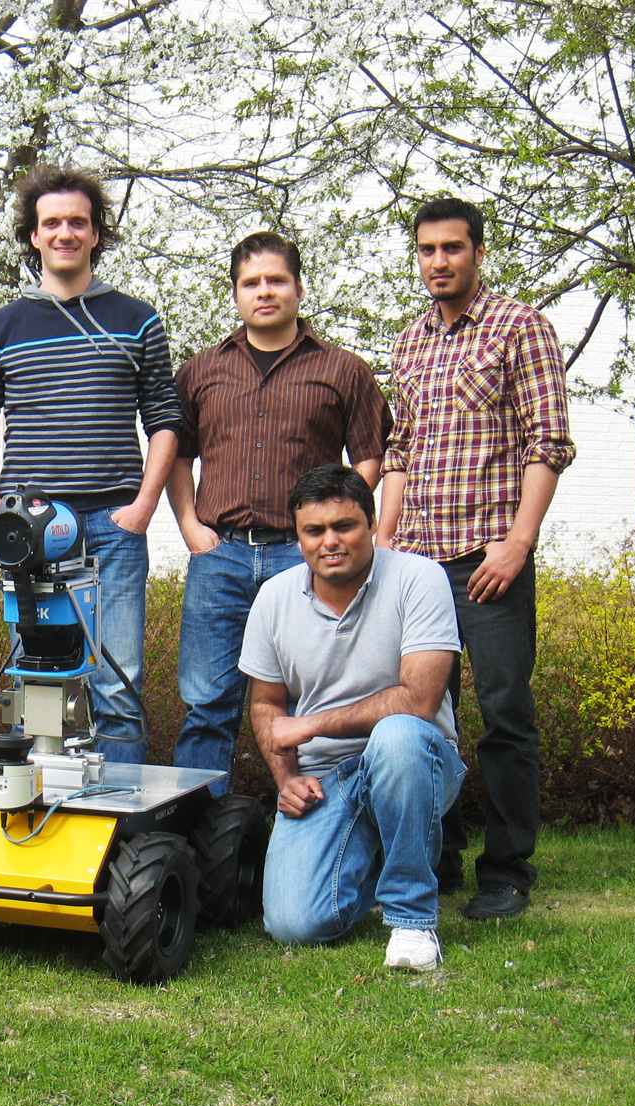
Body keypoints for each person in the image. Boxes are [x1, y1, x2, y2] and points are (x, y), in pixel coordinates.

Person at [375, 197, 576, 921]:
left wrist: (517, 543)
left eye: (452, 248)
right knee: (426, 716)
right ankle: (440, 853)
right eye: (427, 250)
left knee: (504, 713)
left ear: (478, 253)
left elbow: (547, 443)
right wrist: (384, 538)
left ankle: (508, 870)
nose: (439, 262)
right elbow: (401, 450)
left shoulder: (521, 328)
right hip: (420, 565)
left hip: (490, 561)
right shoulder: (409, 344)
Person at [0, 166, 180, 765]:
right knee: (39, 681)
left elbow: (164, 421)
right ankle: (40, 820)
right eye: (51, 222)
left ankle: (120, 833)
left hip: (115, 525)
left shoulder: (138, 319)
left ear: (96, 233)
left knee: (119, 686)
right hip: (33, 535)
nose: (64, 233)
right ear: (33, 234)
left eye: (77, 222)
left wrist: (142, 508)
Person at [169, 231, 391, 795]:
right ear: (236, 294)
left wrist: (325, 530)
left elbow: (370, 459)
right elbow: (178, 454)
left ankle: (314, 819)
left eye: (276, 280)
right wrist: (191, 527)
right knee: (206, 702)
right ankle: (202, 839)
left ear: (298, 287)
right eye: (251, 283)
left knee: (312, 698)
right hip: (220, 556)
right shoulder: (201, 372)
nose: (264, 292)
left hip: (306, 561)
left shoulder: (344, 371)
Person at [241, 465, 464, 970]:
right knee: (295, 924)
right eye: (314, 531)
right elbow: (267, 705)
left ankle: (411, 922)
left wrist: (312, 724)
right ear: (297, 537)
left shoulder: (418, 578)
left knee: (399, 736)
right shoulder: (274, 598)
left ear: (370, 524)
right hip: (326, 778)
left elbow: (420, 701)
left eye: (345, 526)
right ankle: (380, 857)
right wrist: (287, 777)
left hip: (418, 762)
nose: (330, 542)